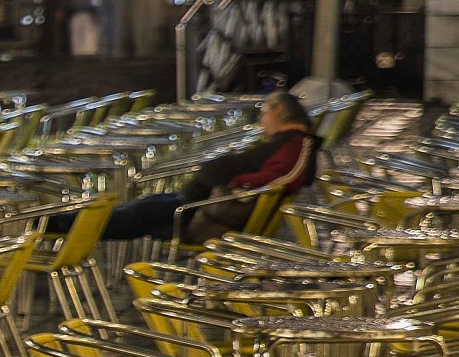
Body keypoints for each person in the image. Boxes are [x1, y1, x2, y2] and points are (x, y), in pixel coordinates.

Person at [45, 93, 322, 246]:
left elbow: (287, 176)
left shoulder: (298, 143)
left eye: (266, 112)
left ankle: (56, 224)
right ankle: (61, 221)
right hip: (201, 204)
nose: (262, 119)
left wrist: (239, 181)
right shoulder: (286, 142)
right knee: (138, 207)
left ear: (281, 113)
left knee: (136, 214)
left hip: (206, 211)